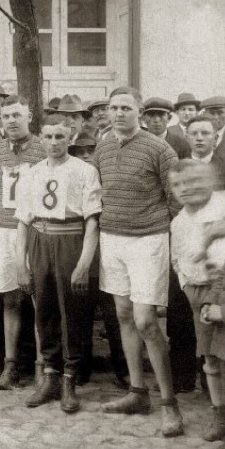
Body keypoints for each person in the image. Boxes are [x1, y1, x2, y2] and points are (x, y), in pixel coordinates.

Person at [92, 87, 183, 437]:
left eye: (126, 108)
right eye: (114, 107)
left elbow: (176, 201)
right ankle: (137, 393)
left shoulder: (160, 149)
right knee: (124, 315)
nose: (118, 113)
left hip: (149, 240)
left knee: (147, 321)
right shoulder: (102, 145)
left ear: (140, 112)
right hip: (112, 238)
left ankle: (169, 404)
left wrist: (166, 237)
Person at [14, 115, 102, 413]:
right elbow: (23, 221)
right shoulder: (32, 172)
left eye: (60, 137)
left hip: (71, 241)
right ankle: (50, 376)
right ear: (40, 138)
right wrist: (20, 263)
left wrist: (84, 263)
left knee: (73, 312)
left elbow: (92, 221)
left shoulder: (84, 170)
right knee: (46, 311)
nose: (54, 143)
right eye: (49, 137)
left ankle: (70, 378)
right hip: (41, 240)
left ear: (70, 138)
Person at [0, 94, 48, 389]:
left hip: (35, 230)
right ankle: (10, 367)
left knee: (38, 299)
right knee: (9, 298)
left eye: (16, 115)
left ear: (30, 116)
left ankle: (41, 366)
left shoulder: (43, 147)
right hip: (2, 228)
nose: (11, 121)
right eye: (6, 115)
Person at [168, 159, 225, 442]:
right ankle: (220, 413)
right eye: (178, 185)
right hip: (199, 294)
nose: (185, 189)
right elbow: (178, 259)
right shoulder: (178, 222)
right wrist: (188, 288)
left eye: (192, 181)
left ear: (210, 180)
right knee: (210, 360)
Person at [68, 134, 130, 388]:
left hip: (110, 257)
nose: (85, 156)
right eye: (79, 151)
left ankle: (124, 370)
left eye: (89, 150)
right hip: (82, 258)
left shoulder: (111, 180)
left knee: (116, 316)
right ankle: (81, 368)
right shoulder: (72, 180)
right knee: (80, 315)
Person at [185, 115, 225, 189]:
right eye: (194, 133)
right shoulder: (177, 167)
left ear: (215, 138)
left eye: (205, 133)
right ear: (187, 138)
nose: (199, 138)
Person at [200, 95, 225, 164]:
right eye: (212, 113)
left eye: (220, 113)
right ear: (204, 114)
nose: (216, 117)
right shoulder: (197, 135)